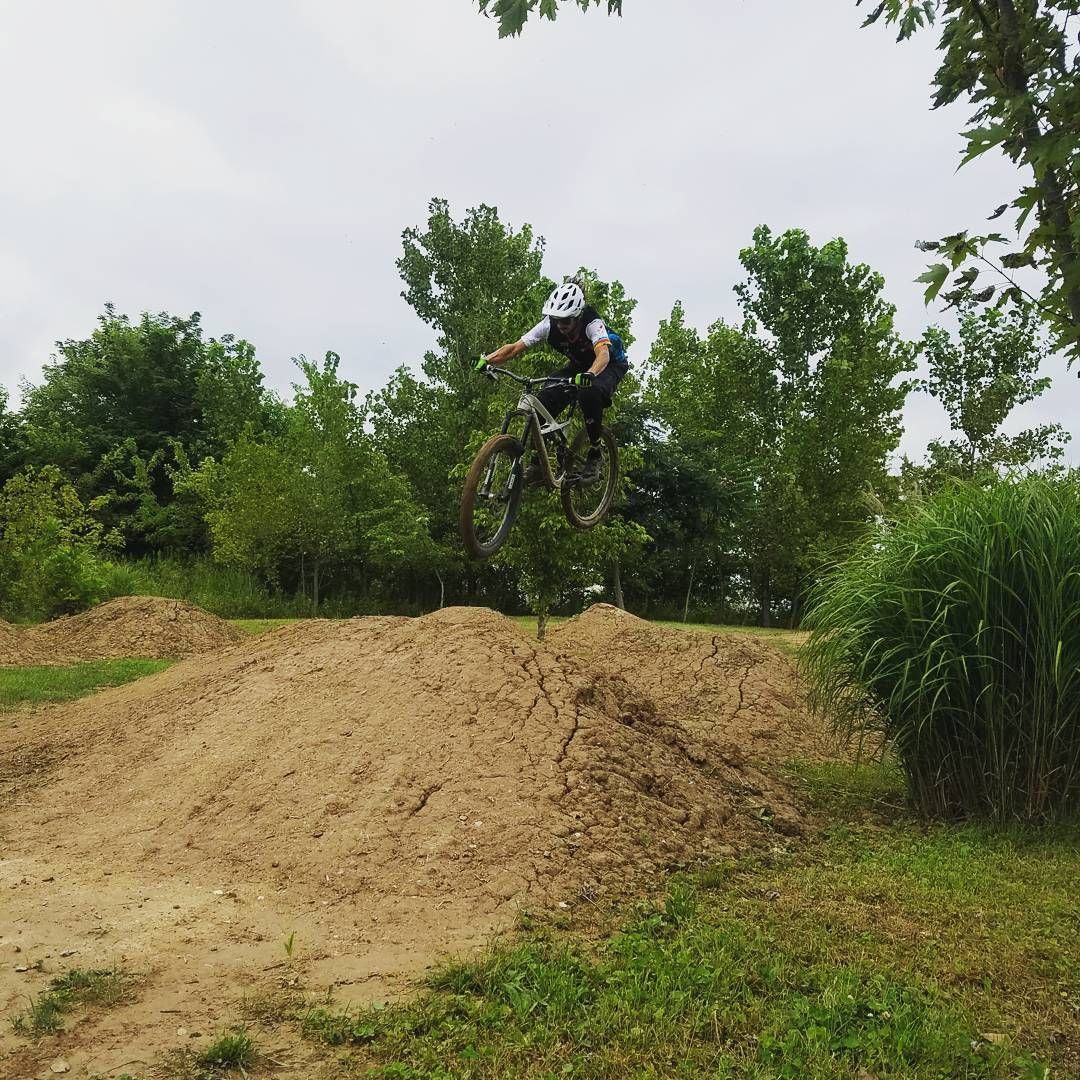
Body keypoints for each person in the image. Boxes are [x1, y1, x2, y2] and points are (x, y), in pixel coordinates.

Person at [479, 279, 628, 483]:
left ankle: (595, 452)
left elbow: (603, 354)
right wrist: (486, 360)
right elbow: (514, 348)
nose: (561, 325)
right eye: (557, 319)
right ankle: (538, 464)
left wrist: (590, 375)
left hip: (609, 365)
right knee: (539, 403)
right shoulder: (548, 325)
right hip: (579, 366)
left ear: (577, 316)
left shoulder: (592, 323)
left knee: (588, 391)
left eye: (566, 321)